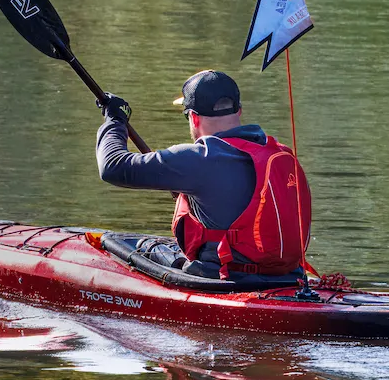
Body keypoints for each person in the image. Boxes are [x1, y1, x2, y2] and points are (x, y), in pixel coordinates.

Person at [94, 69, 311, 277]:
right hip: (287, 275)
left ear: (194, 118)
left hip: (225, 278)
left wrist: (115, 121)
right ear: (239, 111)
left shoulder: (199, 157)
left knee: (140, 248)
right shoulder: (277, 151)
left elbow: (113, 166)